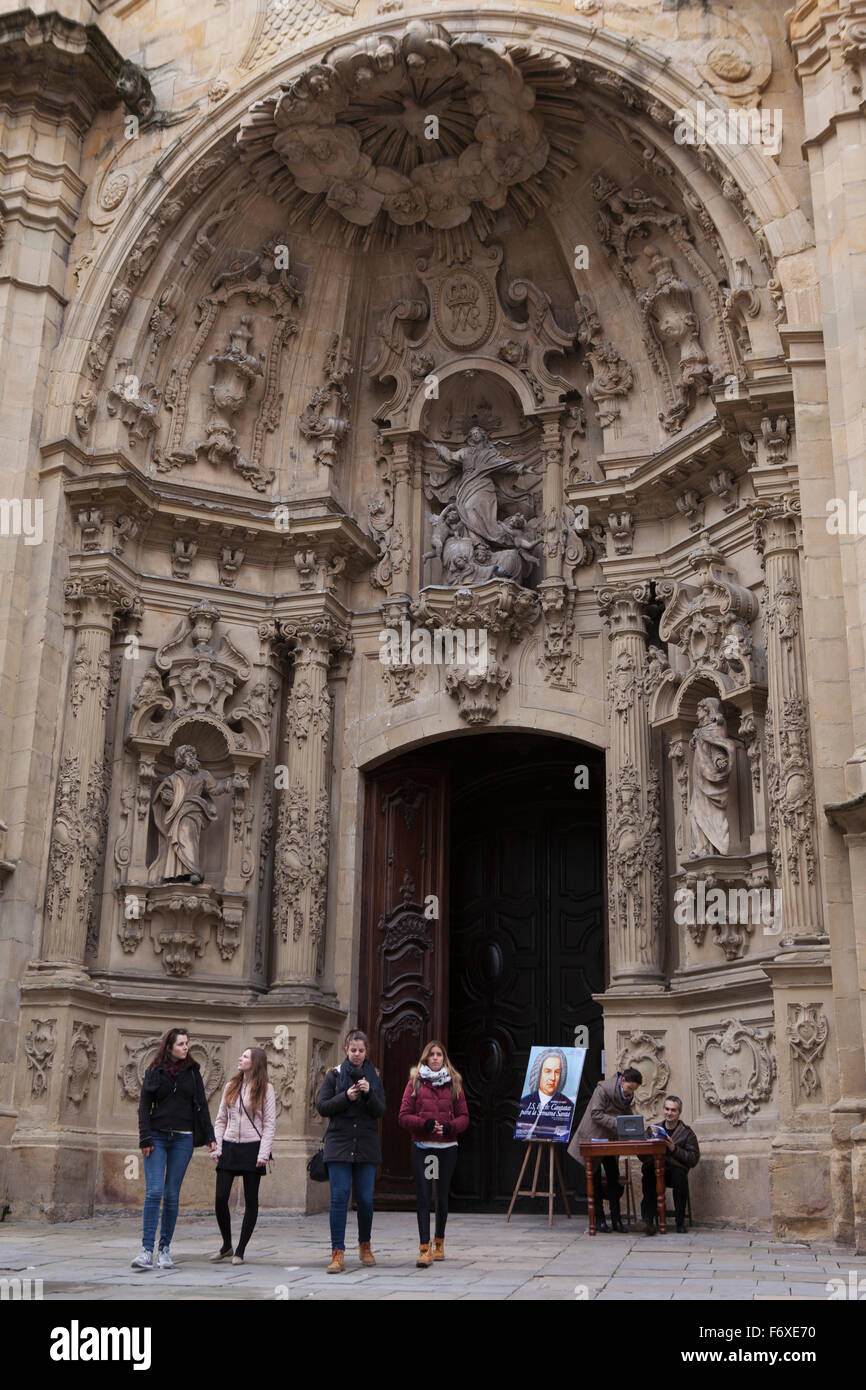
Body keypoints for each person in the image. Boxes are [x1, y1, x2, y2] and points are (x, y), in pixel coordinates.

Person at [133, 1027, 216, 1270]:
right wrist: (144, 1138)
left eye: (187, 1043)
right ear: (169, 1047)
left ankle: (165, 1249)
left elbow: (201, 1105)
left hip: (183, 1139)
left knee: (171, 1194)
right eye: (181, 1044)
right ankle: (146, 1250)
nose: (185, 1047)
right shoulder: (155, 1071)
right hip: (157, 1137)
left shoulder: (193, 1072)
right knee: (154, 1191)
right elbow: (143, 1107)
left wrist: (210, 1136)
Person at [315, 1028, 386, 1274]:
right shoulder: (333, 1076)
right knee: (339, 1197)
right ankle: (337, 1252)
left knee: (365, 1199)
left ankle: (365, 1245)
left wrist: (368, 1094)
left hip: (365, 1146)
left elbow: (381, 1111)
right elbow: (323, 1106)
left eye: (361, 1051)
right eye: (353, 1050)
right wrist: (346, 1096)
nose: (357, 1054)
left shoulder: (374, 1077)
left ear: (367, 1052)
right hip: (339, 1144)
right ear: (346, 1049)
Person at [398, 1039, 470, 1267]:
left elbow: (464, 1117)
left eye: (439, 1054)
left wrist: (450, 1127)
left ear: (444, 1058)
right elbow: (403, 1116)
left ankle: (439, 1242)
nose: (436, 1058)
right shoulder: (415, 1083)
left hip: (446, 1148)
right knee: (422, 1197)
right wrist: (424, 1124)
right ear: (426, 1058)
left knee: (441, 1196)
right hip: (423, 1146)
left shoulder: (454, 1083)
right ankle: (423, 1248)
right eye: (432, 1055)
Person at [210, 1046, 276, 1264]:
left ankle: (240, 1250)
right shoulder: (231, 1085)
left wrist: (263, 1154)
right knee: (220, 1198)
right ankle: (227, 1244)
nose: (240, 1058)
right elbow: (221, 1120)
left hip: (252, 1147)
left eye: (245, 1056)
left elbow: (269, 1125)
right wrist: (218, 1146)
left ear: (255, 1062)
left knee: (251, 1200)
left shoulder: (266, 1089)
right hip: (229, 1145)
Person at [567, 1066, 643, 1232]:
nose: (631, 1092)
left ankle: (616, 1220)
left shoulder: (626, 1093)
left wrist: (636, 1128)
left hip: (610, 1140)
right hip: (593, 1138)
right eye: (630, 1088)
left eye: (634, 1090)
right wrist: (619, 1124)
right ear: (622, 1081)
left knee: (613, 1178)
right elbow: (596, 1114)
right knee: (593, 1179)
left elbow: (625, 1112)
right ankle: (599, 1220)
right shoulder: (602, 1090)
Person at [641, 1094, 700, 1234]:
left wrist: (674, 1149)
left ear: (679, 1113)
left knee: (680, 1177)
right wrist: (649, 1147)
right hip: (656, 1168)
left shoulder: (687, 1133)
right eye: (667, 1109)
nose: (669, 1113)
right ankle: (647, 1221)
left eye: (673, 1110)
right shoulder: (654, 1129)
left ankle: (680, 1222)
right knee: (648, 1175)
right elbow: (642, 1155)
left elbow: (693, 1158)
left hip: (675, 1170)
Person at [516, 1047, 575, 1142]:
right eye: (548, 1071)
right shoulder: (525, 1101)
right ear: (538, 1073)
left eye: (557, 1072)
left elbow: (562, 1135)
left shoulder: (567, 1105)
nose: (552, 1078)